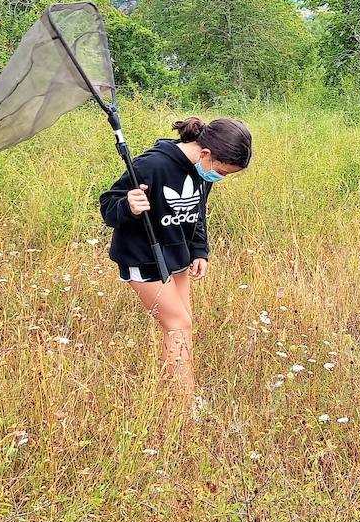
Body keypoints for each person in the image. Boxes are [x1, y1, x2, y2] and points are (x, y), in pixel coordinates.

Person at [99, 117, 251, 406]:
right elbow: (108, 206)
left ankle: (180, 389)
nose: (220, 178)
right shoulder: (152, 165)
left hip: (177, 255)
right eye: (221, 172)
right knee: (177, 323)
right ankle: (185, 404)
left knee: (183, 325)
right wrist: (128, 206)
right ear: (206, 153)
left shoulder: (201, 171)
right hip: (142, 256)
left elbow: (197, 212)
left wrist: (199, 251)